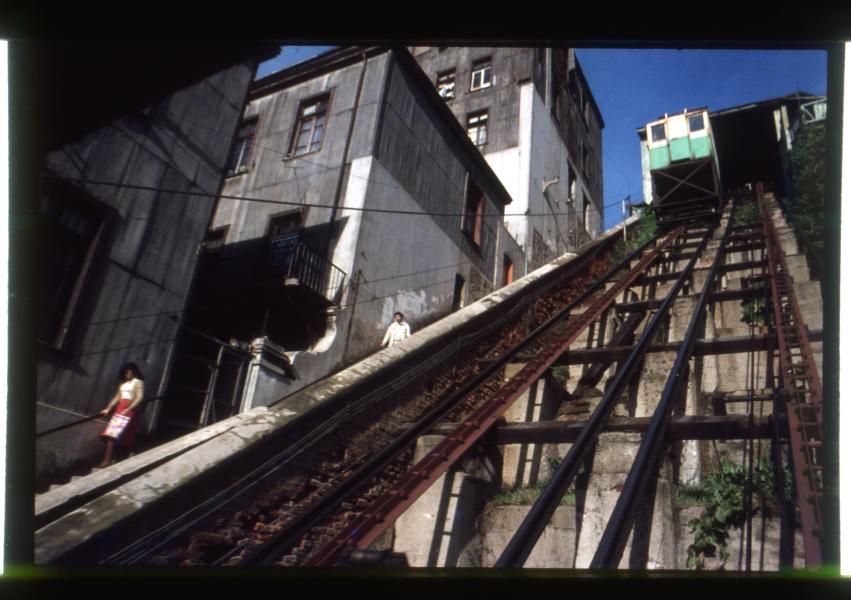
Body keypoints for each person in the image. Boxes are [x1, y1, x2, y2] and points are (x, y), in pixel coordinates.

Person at [97, 362, 144, 468]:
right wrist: (108, 408)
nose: (127, 373)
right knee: (111, 434)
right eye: (125, 372)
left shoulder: (138, 382)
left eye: (129, 371)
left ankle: (107, 460)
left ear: (133, 371)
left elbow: (139, 397)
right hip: (120, 409)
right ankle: (114, 458)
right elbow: (117, 397)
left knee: (112, 434)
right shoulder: (123, 383)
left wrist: (128, 409)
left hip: (129, 409)